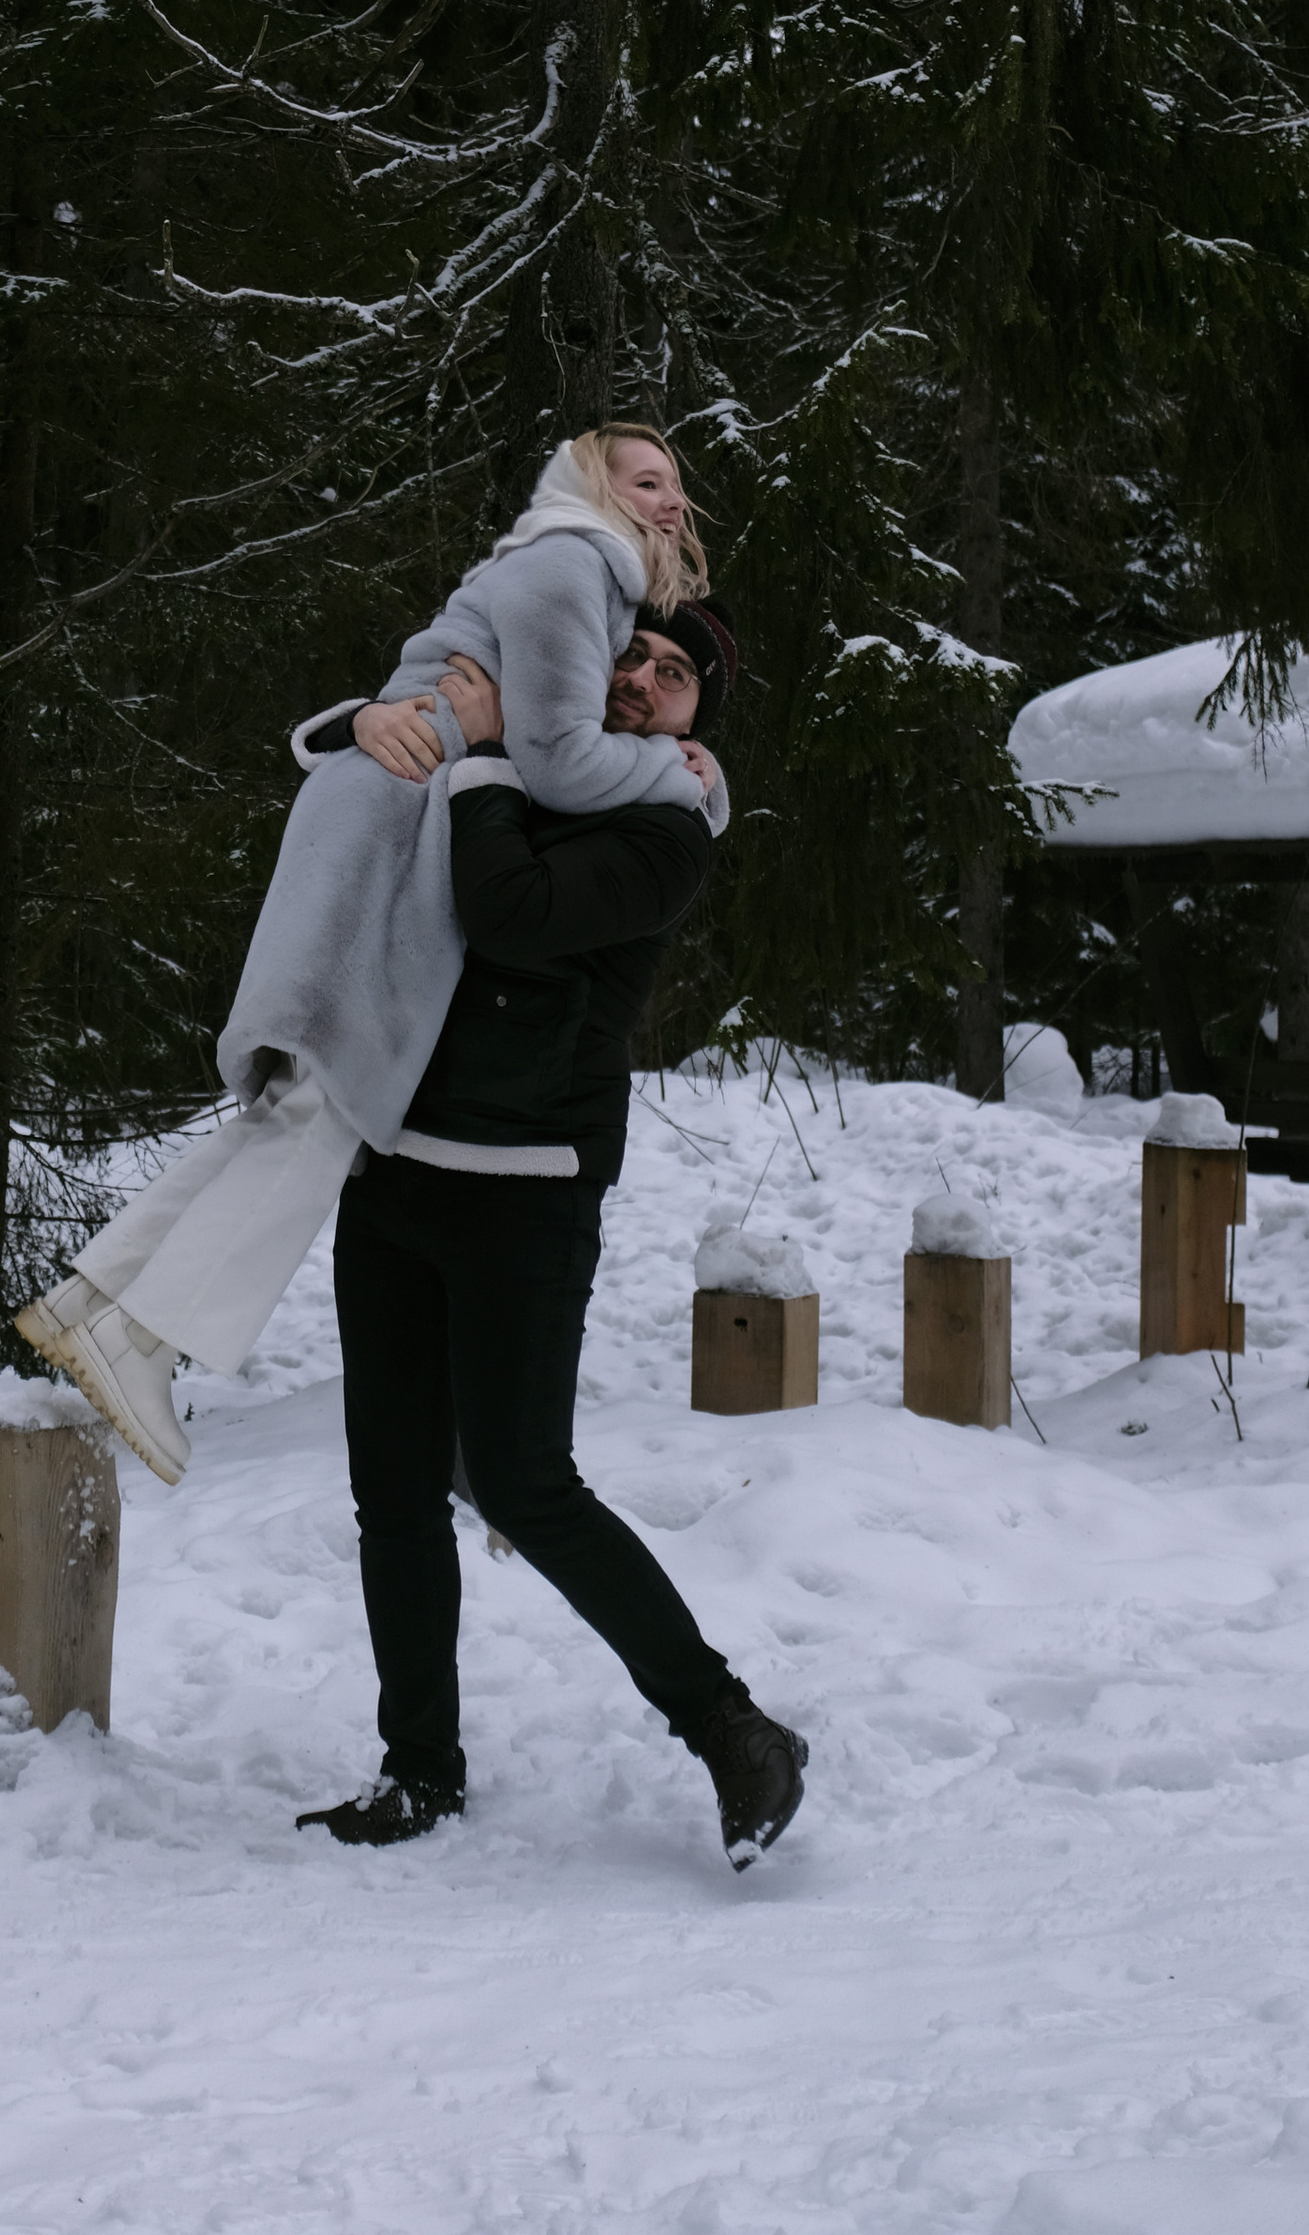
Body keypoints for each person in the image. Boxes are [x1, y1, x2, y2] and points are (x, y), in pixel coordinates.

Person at [18, 428, 722, 1480]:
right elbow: (554, 759)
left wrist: (370, 722)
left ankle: (99, 1302)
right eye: (645, 480)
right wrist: (675, 775)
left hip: (387, 821)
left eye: (675, 485)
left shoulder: (573, 570)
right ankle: (140, 1340)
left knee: (306, 1097)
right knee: (334, 1104)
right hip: (394, 833)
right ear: (589, 485)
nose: (669, 502)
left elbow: (454, 698)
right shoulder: (575, 563)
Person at [295, 607, 810, 1872]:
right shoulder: (527, 750)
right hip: (396, 1169)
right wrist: (392, 723)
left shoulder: (665, 825)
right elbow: (326, 756)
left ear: (699, 722)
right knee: (394, 1495)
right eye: (628, 657)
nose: (640, 680)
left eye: (674, 674)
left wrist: (471, 757)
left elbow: (512, 912)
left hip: (526, 1185)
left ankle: (733, 1728)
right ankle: (419, 1769)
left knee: (526, 1480)